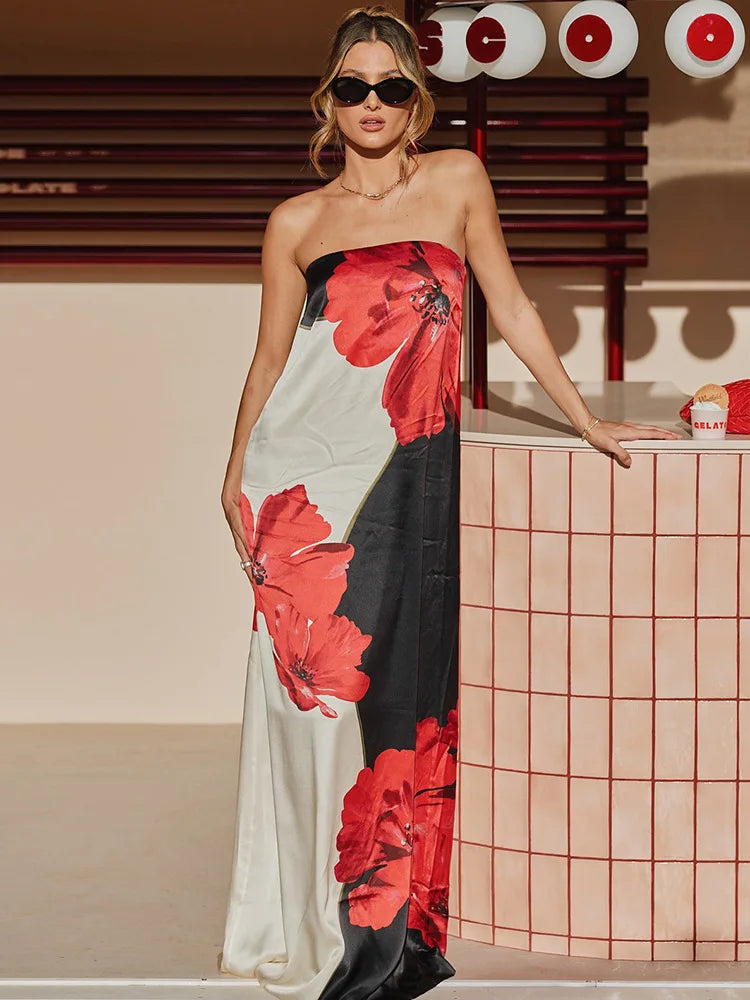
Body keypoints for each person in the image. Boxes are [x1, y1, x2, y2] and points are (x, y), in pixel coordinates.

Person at [217, 6, 681, 999]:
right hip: (303, 488)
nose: (371, 103)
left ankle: (389, 931)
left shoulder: (458, 180)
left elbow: (509, 304)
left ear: (414, 99)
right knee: (311, 714)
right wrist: (233, 470)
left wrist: (584, 418)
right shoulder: (295, 222)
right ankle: (311, 925)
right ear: (329, 100)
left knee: (404, 698)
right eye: (353, 87)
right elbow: (270, 359)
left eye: (390, 87)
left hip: (412, 475)